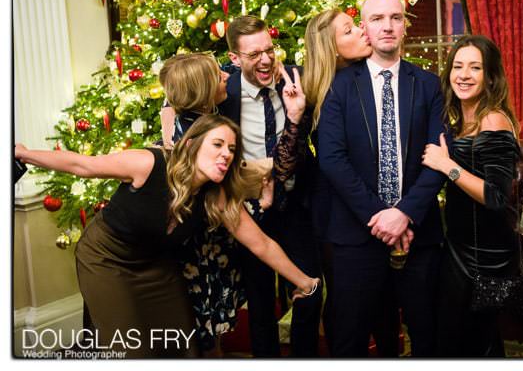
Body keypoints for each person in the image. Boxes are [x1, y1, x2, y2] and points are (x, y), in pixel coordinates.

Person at [15, 114, 320, 359]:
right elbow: (83, 165)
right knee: (132, 349)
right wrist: (24, 154)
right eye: (217, 144)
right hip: (106, 258)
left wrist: (305, 282)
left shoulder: (218, 197)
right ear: (191, 144)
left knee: (182, 343)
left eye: (231, 149)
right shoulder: (150, 163)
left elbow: (261, 244)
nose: (225, 154)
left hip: (155, 264)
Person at [317, 0, 447, 357]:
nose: (387, 26)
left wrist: (404, 213)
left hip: (418, 235)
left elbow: (438, 158)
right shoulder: (340, 86)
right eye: (377, 19)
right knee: (349, 341)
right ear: (365, 28)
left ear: (405, 25)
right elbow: (332, 158)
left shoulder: (428, 84)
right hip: (356, 236)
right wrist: (380, 217)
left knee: (426, 337)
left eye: (395, 17)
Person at [158, 52, 304, 355]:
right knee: (204, 335)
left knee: (210, 334)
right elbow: (232, 183)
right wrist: (263, 196)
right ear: (203, 90)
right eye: (219, 77)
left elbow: (190, 74)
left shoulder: (192, 115)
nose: (227, 77)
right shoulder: (199, 136)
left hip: (212, 244)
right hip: (203, 249)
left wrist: (257, 60)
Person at [219, 15, 322, 357]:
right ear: (234, 59)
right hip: (251, 212)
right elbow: (177, 102)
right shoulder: (223, 92)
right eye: (253, 55)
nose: (265, 60)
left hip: (296, 205)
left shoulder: (294, 77)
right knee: (261, 304)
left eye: (269, 50)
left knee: (310, 291)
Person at [421, 35, 520, 357]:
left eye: (475, 67)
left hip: (486, 256)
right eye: (458, 66)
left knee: (469, 343)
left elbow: (495, 197)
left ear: (490, 76)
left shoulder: (493, 120)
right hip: (460, 246)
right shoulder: (460, 118)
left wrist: (447, 165)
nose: (463, 74)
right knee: (468, 341)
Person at [301, 8, 373, 350]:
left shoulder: (365, 76)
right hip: (337, 214)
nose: (362, 31)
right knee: (346, 305)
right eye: (349, 30)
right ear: (331, 49)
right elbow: (332, 163)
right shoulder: (325, 94)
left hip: (362, 207)